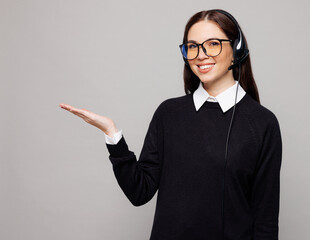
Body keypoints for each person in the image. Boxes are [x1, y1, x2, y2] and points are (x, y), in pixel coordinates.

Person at [59, 9, 282, 240]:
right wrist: (112, 134)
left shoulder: (262, 124)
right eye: (192, 46)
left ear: (236, 50)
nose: (201, 54)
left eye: (213, 43)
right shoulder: (168, 114)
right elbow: (140, 191)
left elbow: (265, 221)